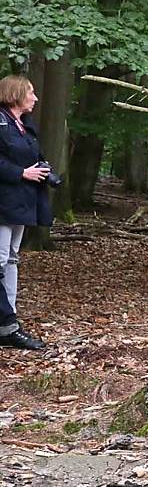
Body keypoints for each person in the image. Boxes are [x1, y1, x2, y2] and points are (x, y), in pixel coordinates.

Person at [0, 75, 48, 350]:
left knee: (12, 260)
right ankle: (7, 326)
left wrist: (43, 169)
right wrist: (21, 173)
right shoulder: (1, 121)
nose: (35, 97)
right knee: (1, 259)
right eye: (31, 91)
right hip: (3, 203)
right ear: (16, 93)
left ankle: (9, 320)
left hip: (22, 203)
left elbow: (32, 156)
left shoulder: (24, 126)